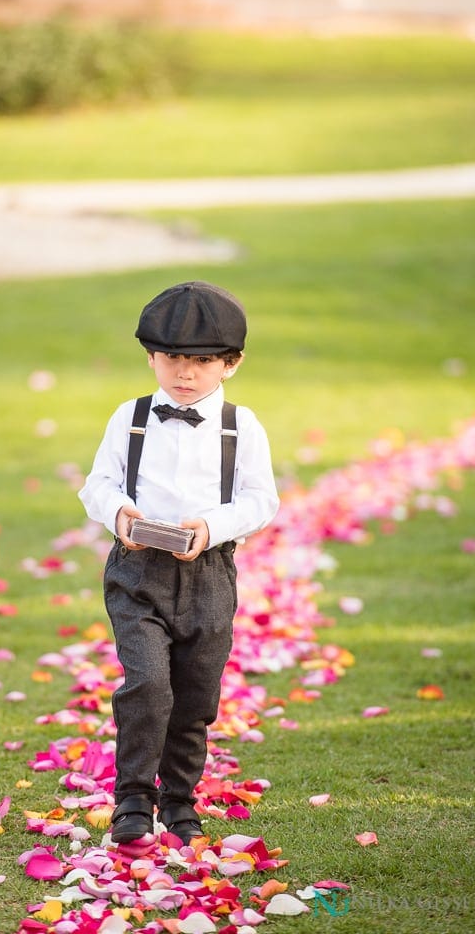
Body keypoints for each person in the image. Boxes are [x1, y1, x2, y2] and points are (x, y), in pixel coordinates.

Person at [78, 279, 279, 845]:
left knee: (194, 696)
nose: (184, 373)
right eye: (171, 358)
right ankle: (133, 798)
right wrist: (120, 515)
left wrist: (211, 527)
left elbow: (262, 500)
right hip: (138, 571)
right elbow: (99, 485)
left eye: (200, 361)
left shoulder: (243, 426)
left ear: (230, 365)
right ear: (150, 356)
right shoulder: (131, 417)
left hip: (209, 575)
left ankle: (179, 800)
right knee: (147, 684)